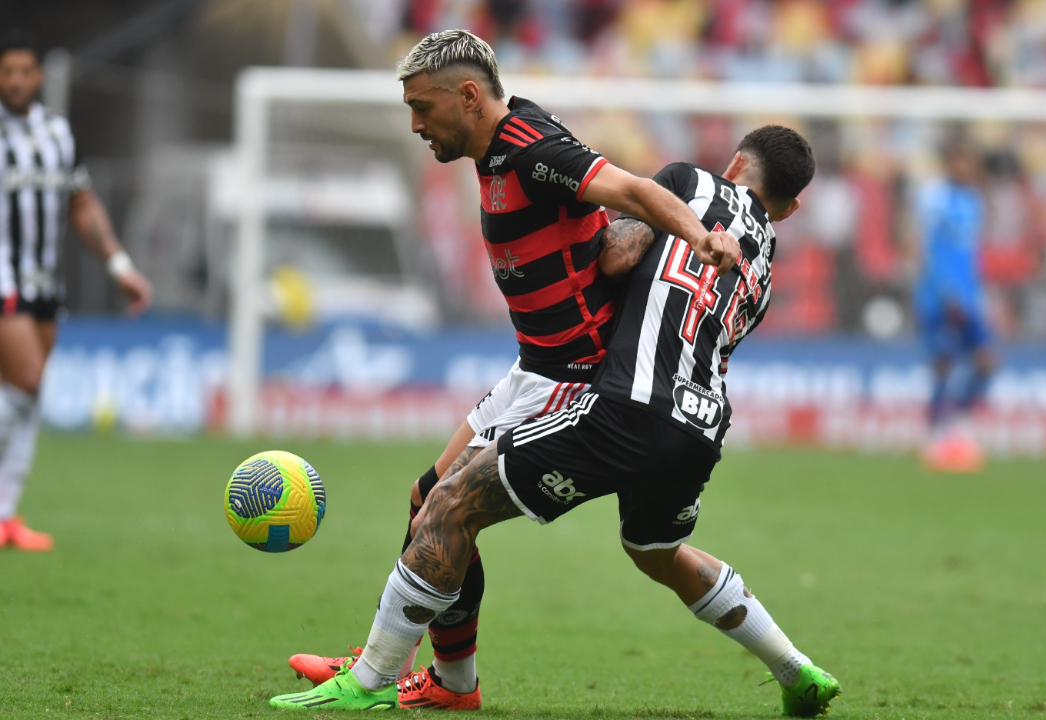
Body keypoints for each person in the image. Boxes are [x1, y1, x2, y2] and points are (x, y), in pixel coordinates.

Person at [269, 125, 843, 717]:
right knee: (656, 551)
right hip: (698, 428)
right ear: (792, 206)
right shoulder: (766, 269)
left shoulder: (688, 184)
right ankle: (794, 667)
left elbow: (618, 255)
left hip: (626, 407)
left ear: (736, 162)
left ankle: (375, 678)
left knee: (447, 503)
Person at [285, 29, 739, 710]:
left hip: (572, 376)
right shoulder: (497, 141)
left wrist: (700, 236)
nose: (414, 124)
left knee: (446, 509)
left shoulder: (532, 151)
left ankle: (391, 671)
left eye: (422, 107)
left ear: (469, 97)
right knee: (426, 501)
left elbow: (633, 189)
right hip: (533, 366)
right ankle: (442, 679)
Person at [0, 30, 152, 551]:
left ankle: (5, 517)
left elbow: (81, 204)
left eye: (25, 71)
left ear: (39, 76)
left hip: (45, 281)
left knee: (28, 394)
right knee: (25, 380)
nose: (16, 81)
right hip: (4, 279)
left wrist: (118, 264)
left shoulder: (59, 134)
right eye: (7, 72)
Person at [912, 138, 994, 472]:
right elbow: (924, 248)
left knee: (986, 360)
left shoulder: (973, 200)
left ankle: (958, 422)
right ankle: (935, 434)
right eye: (961, 161)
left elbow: (970, 253)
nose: (967, 169)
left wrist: (976, 292)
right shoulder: (934, 197)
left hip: (969, 294)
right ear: (949, 163)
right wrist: (946, 293)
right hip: (939, 296)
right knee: (943, 362)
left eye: (971, 162)